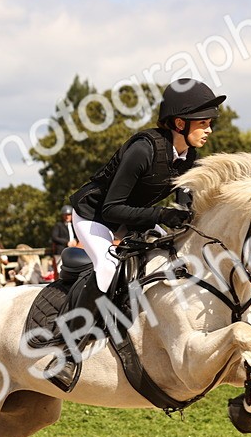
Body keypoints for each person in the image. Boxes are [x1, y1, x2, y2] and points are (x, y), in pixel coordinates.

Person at [70, 77, 225, 291]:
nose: (209, 130)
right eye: (203, 123)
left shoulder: (188, 157)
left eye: (209, 124)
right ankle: (87, 324)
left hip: (133, 219)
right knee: (109, 268)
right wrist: (162, 215)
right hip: (94, 215)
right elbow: (110, 209)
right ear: (180, 123)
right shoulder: (143, 150)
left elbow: (186, 206)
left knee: (173, 258)